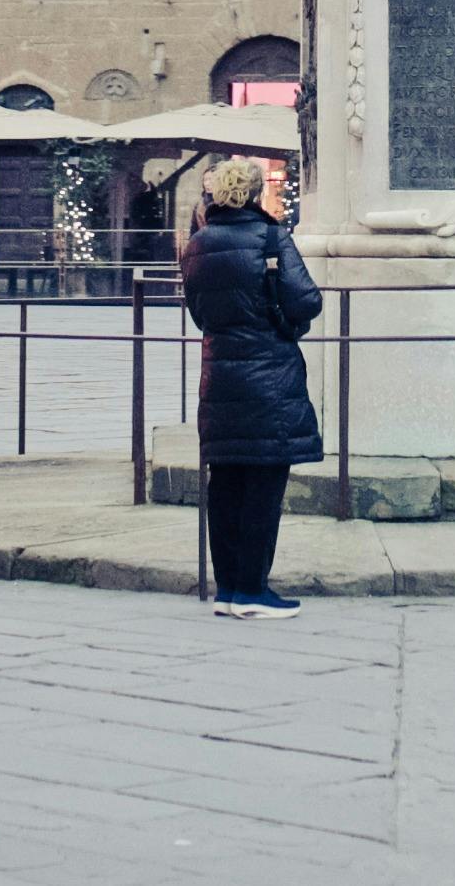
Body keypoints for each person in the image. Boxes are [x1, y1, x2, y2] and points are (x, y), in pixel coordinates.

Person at [183, 156, 322, 617]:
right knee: (263, 484)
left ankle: (227, 590)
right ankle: (252, 591)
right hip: (269, 377)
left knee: (224, 483)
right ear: (256, 192)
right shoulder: (270, 236)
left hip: (219, 375)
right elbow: (306, 300)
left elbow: (199, 312)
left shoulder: (198, 244)